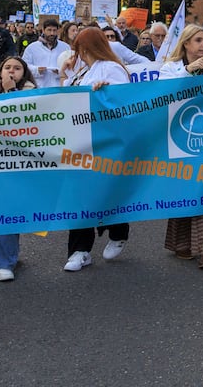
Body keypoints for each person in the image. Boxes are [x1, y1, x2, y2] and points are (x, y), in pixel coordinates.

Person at [61, 27, 132, 272]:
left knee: (107, 192)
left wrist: (106, 91)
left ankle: (119, 231)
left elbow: (123, 102)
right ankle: (80, 250)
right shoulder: (81, 71)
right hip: (80, 143)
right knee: (80, 196)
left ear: (86, 47)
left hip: (104, 143)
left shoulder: (111, 68)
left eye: (78, 47)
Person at [159, 24, 203, 269]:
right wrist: (188, 71)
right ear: (186, 43)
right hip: (178, 138)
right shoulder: (170, 68)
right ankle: (181, 243)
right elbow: (163, 97)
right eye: (197, 40)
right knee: (184, 191)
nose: (202, 44)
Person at [0, 57, 37, 281]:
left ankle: (9, 256)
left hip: (23, 160)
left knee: (15, 208)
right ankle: (2, 263)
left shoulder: (32, 92)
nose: (11, 71)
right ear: (0, 71)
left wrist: (12, 91)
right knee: (3, 207)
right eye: (7, 67)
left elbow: (23, 118)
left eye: (17, 68)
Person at [22, 18, 70, 89]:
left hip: (59, 87)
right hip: (39, 87)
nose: (52, 33)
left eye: (54, 30)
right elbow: (24, 66)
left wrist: (60, 71)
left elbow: (71, 67)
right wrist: (36, 70)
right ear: (43, 30)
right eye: (49, 30)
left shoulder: (65, 47)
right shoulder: (32, 47)